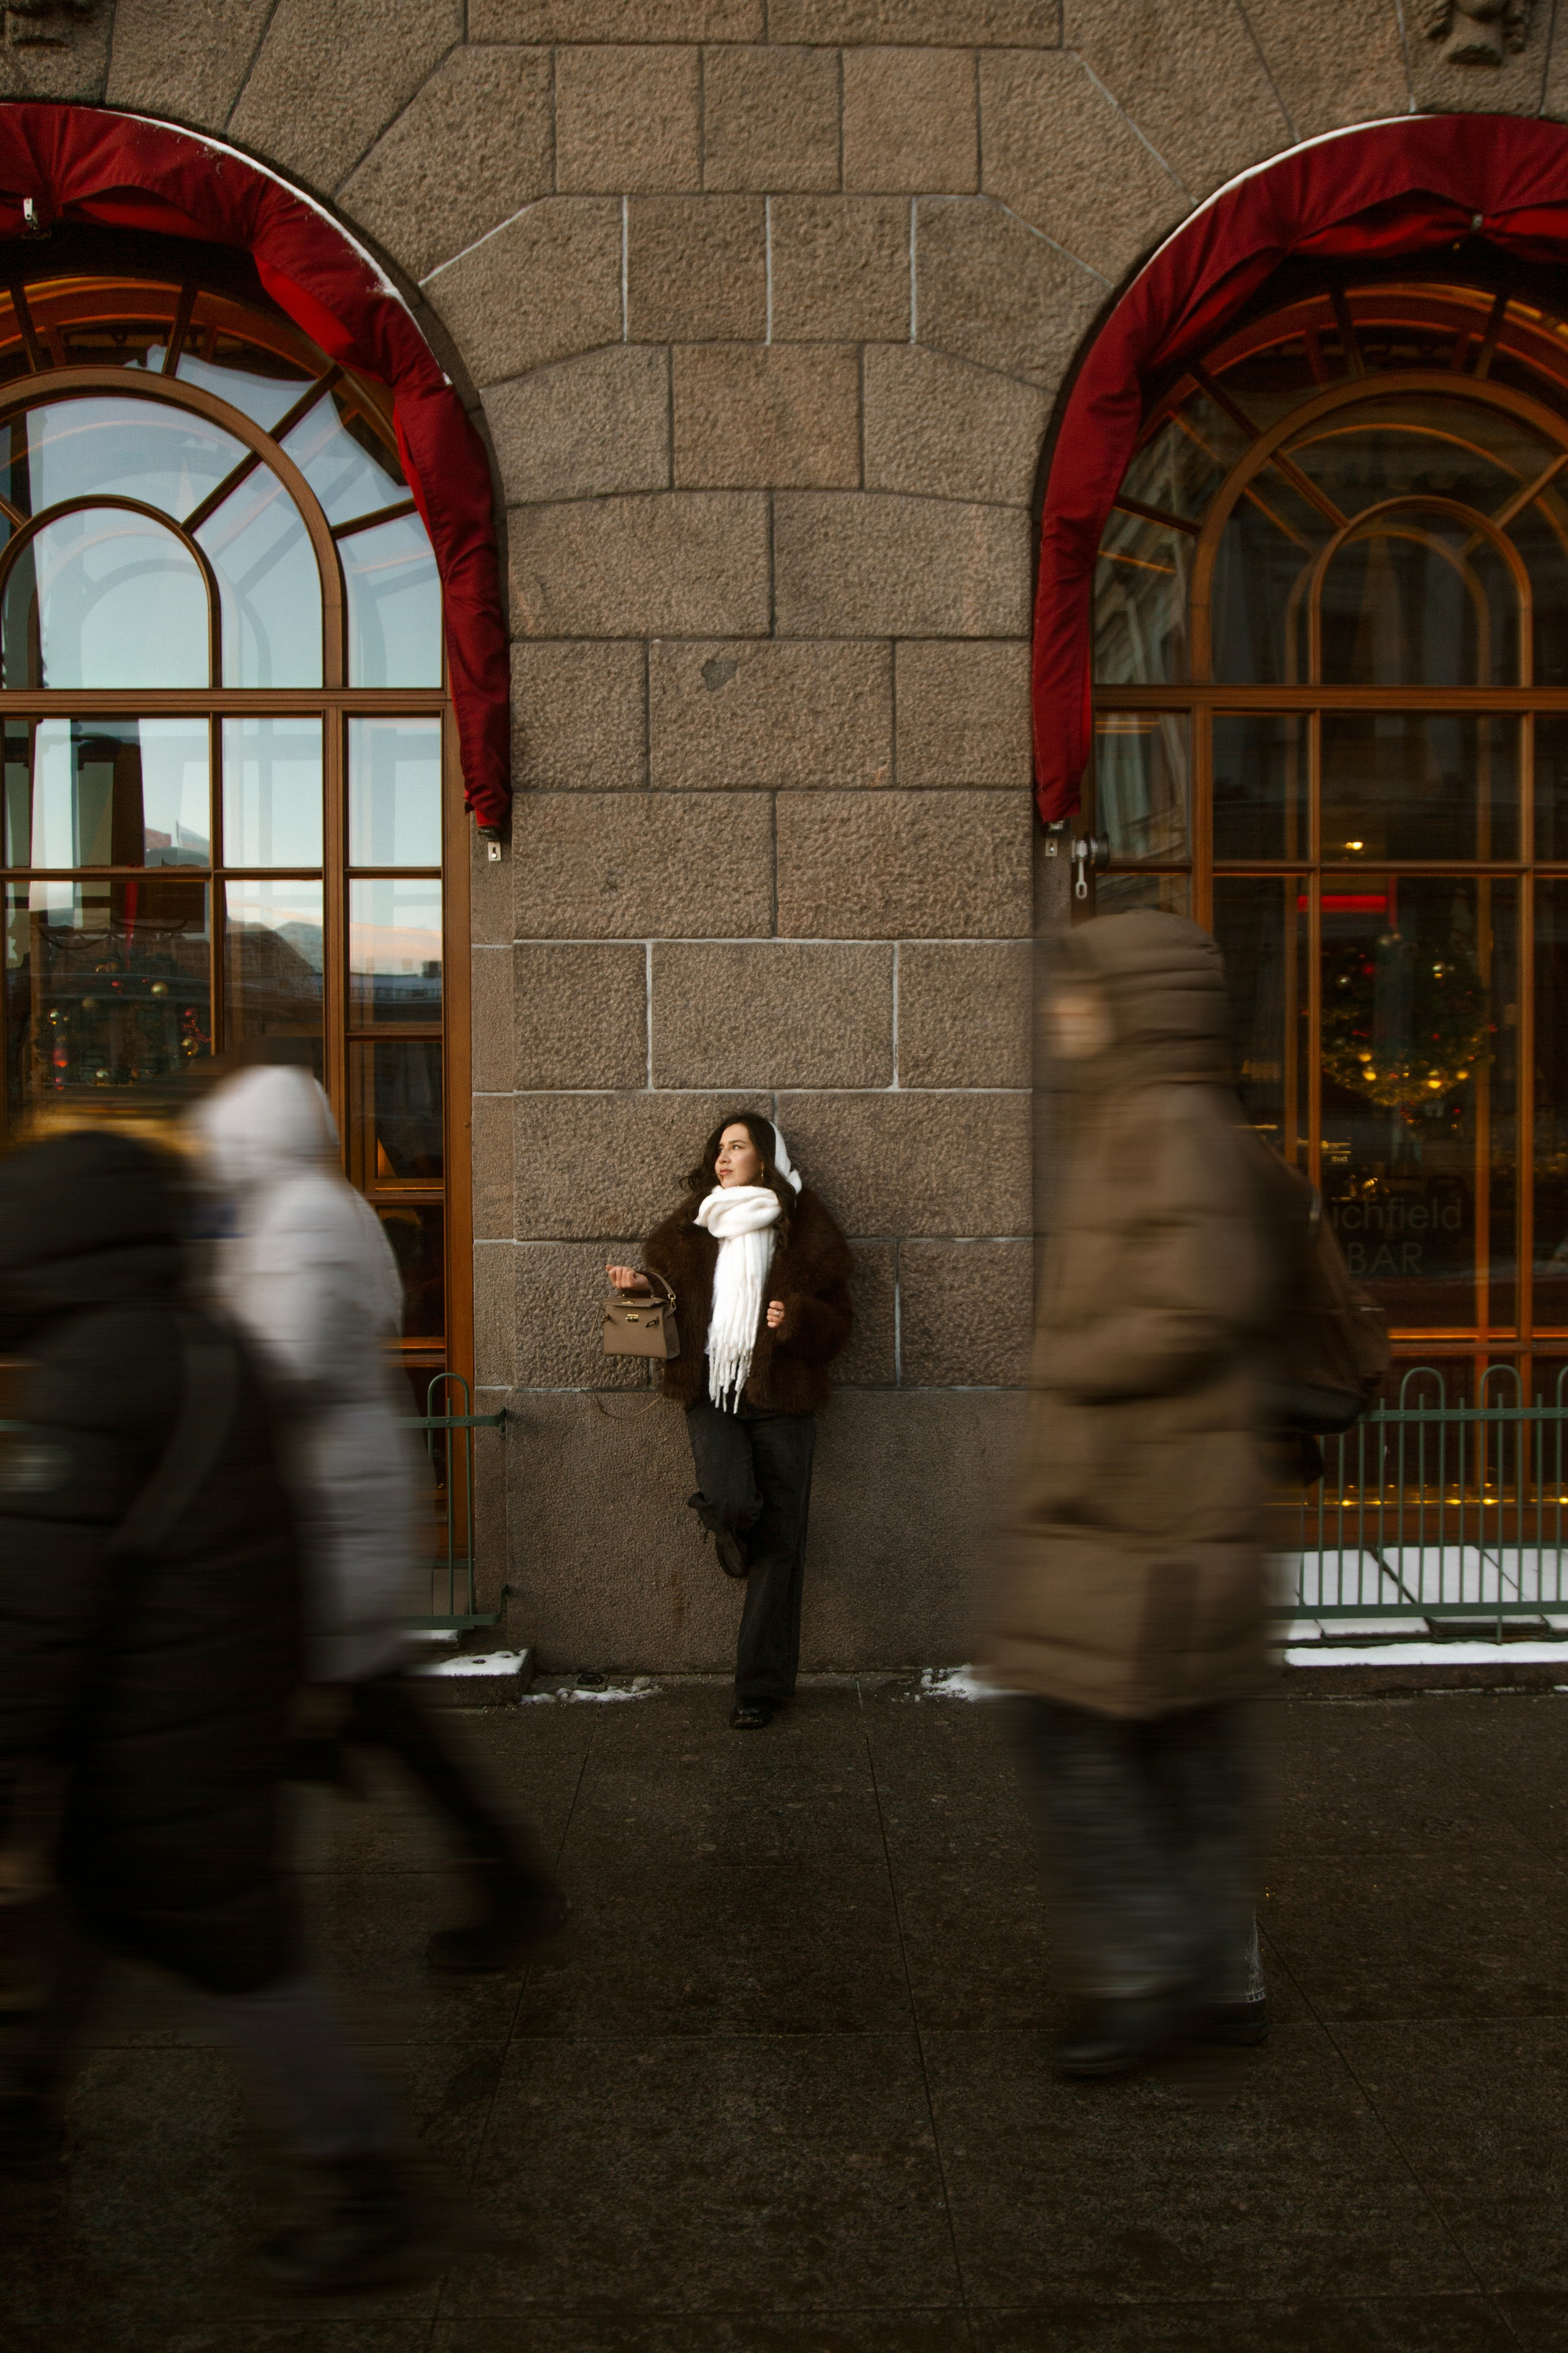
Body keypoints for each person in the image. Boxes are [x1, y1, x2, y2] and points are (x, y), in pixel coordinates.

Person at [0, 1125, 426, 2292]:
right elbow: (280, 1532)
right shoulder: (207, 1344)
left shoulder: (95, 1372)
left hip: (155, 1729)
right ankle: (28, 2087)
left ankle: (361, 2176)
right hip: (208, 1705)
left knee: (240, 1954)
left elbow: (39, 1598)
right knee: (103, 1904)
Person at [989, 910, 1281, 2080]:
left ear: (1130, 1003)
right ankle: (1218, 1976)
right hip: (1152, 1503)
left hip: (1149, 1509)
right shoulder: (1141, 1114)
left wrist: (1076, 1360)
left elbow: (1199, 1298)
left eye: (1079, 991)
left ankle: (1149, 1975)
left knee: (1075, 1739)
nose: (1061, 1012)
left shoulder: (1164, 1121)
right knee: (1181, 1751)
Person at [194, 1062, 561, 1972]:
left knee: (335, 1710)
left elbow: (286, 1365)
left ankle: (250, 1929)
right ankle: (502, 1877)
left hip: (324, 1509)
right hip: (326, 1499)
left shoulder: (299, 1217)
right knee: (374, 1708)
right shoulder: (318, 1208)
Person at [608, 1113, 851, 1730]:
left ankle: (759, 1688)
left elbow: (840, 1326)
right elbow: (664, 1314)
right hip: (711, 1392)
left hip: (782, 1396)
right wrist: (639, 1289)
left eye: (737, 1147)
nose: (723, 1157)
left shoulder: (807, 1235)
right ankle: (729, 1529)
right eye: (720, 1148)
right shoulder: (691, 1231)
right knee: (731, 1501)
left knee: (782, 1542)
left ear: (765, 1159)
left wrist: (795, 1318)